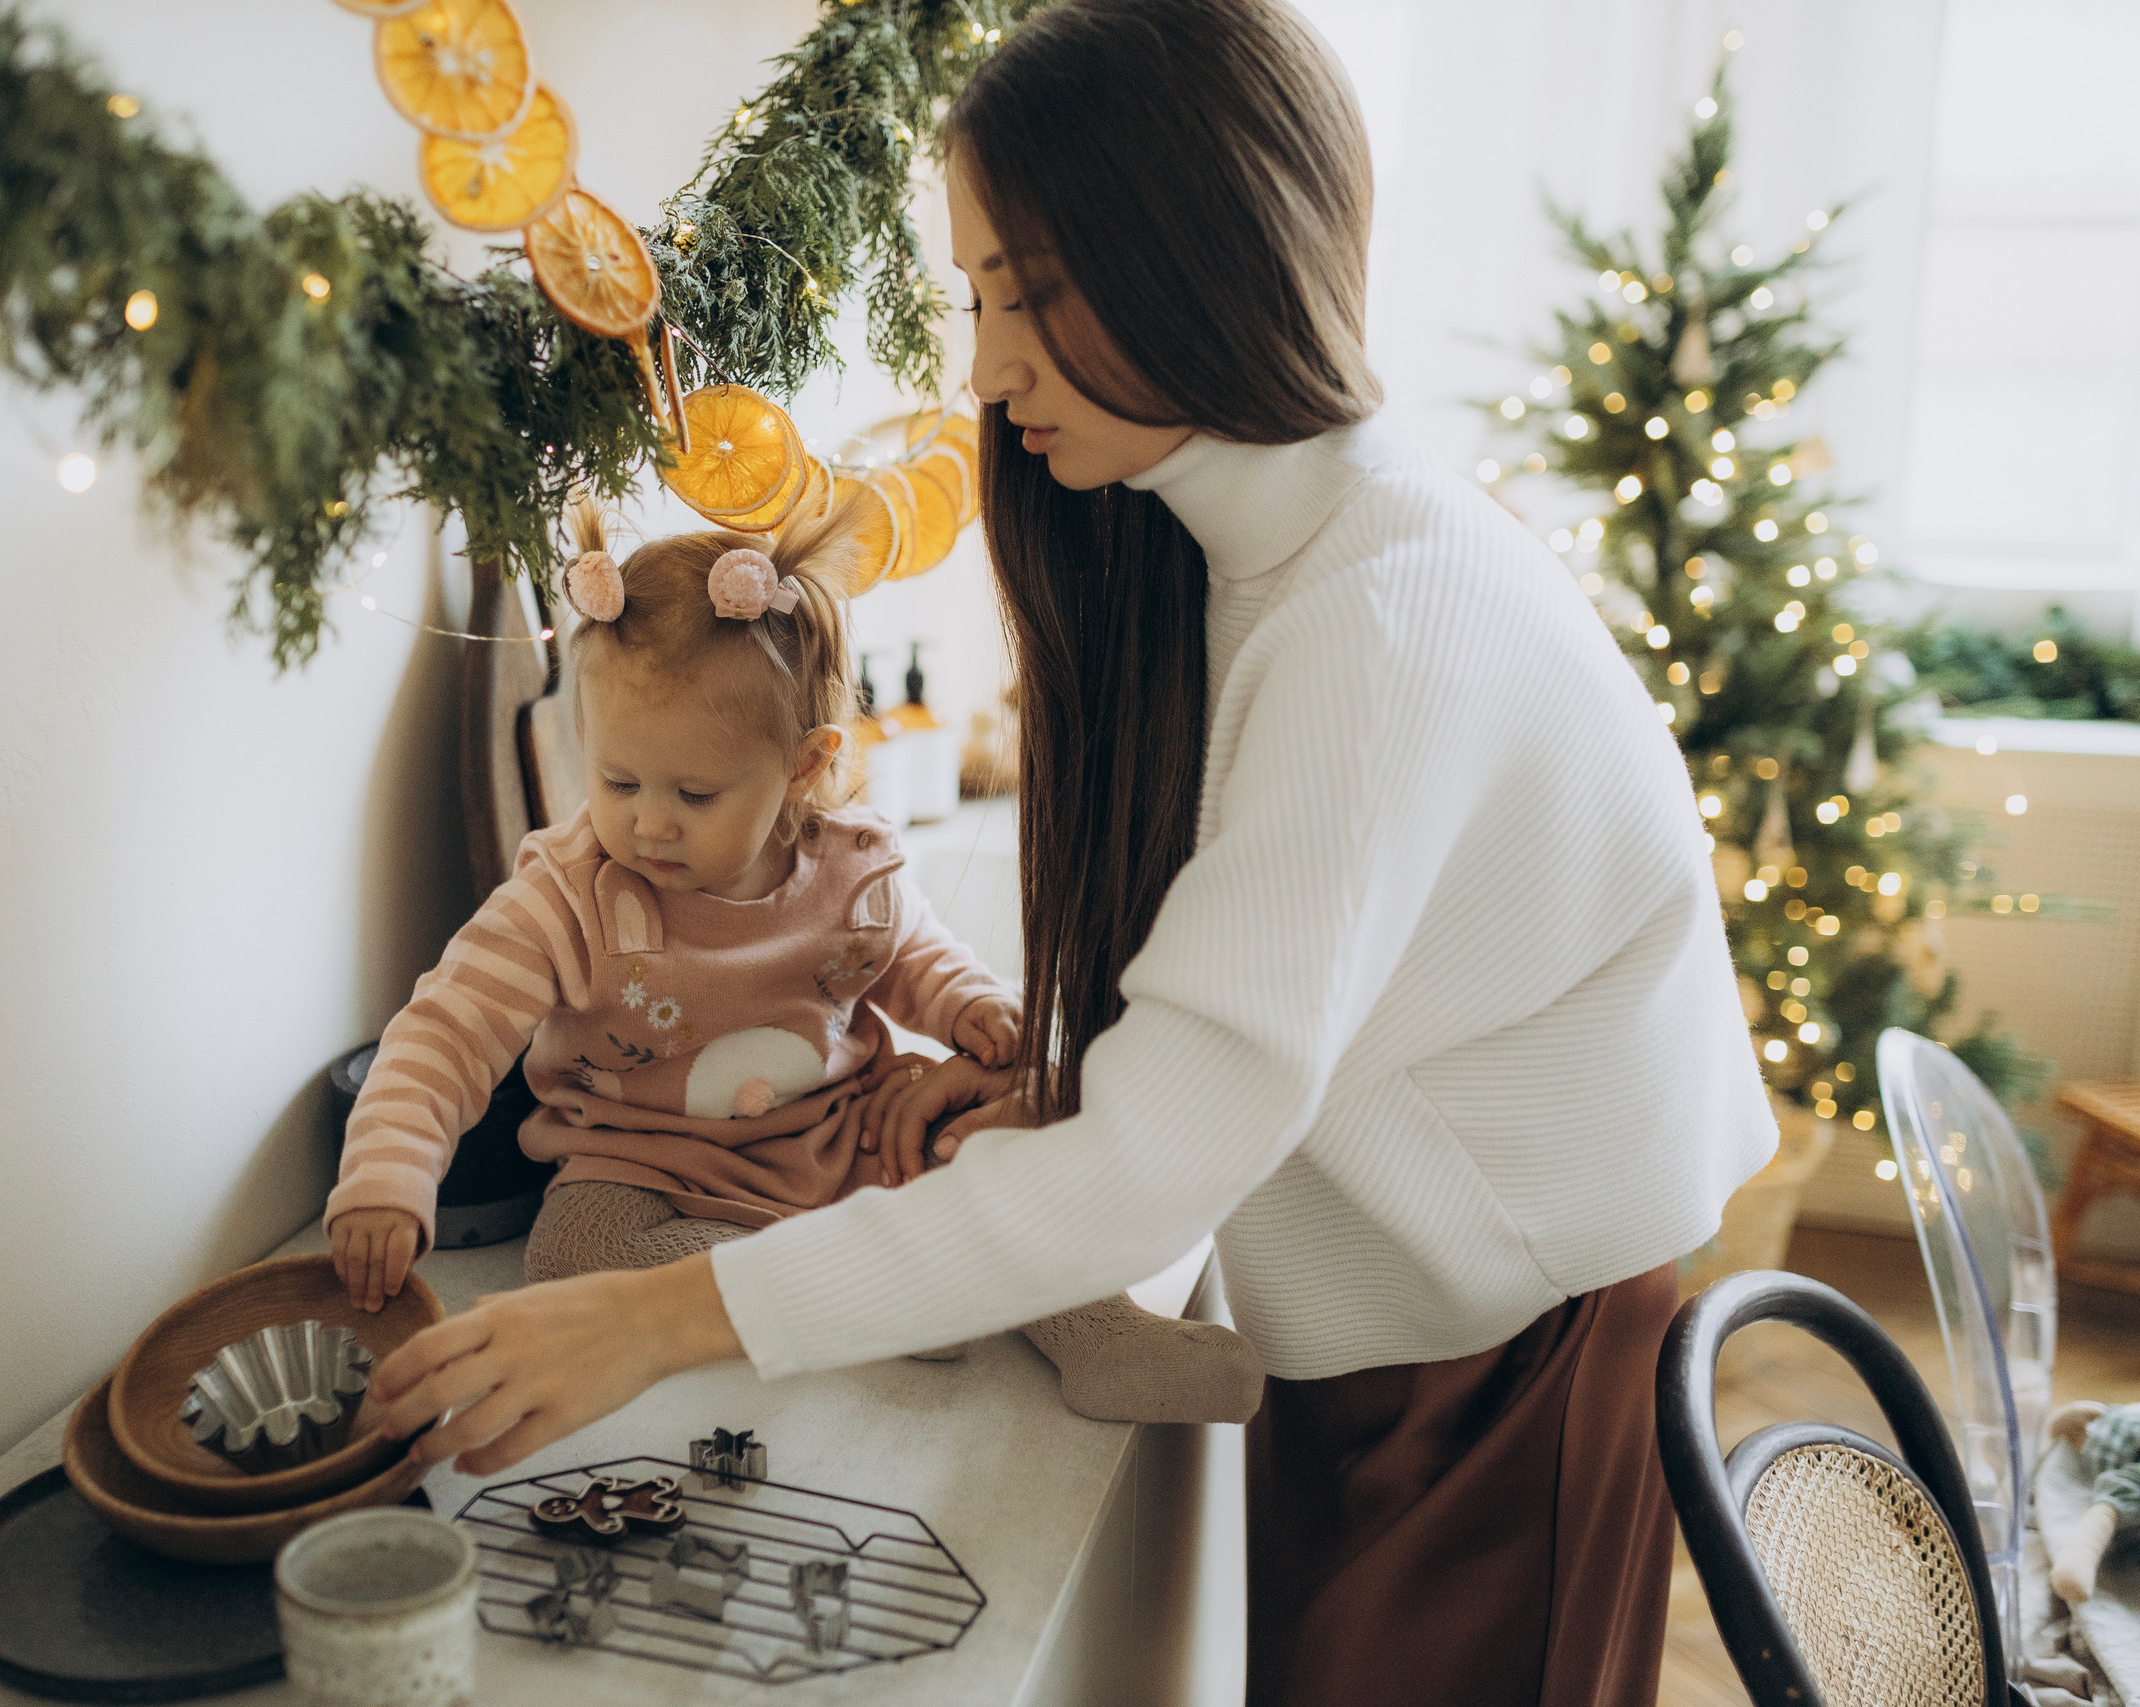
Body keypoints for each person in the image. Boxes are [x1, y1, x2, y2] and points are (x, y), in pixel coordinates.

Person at [362, 0, 1776, 1699]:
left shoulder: (1376, 625)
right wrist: (1067, 1097)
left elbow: (1155, 1170)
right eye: (974, 295)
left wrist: (654, 1315)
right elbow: (1259, 1016)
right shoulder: (1240, 542)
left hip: (1507, 1344)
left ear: (1197, 242)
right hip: (1412, 1309)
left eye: (1028, 290)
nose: (983, 367)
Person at [327, 497, 1265, 1426]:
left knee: (994, 1178)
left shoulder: (848, 866)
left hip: (843, 1136)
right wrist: (387, 1176)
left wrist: (969, 1006)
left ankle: (1106, 1337)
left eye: (694, 792)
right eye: (617, 781)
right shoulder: (567, 895)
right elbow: (445, 1029)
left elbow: (916, 954)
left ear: (806, 766)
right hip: (644, 1163)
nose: (648, 820)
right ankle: (865, 1288)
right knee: (569, 1259)